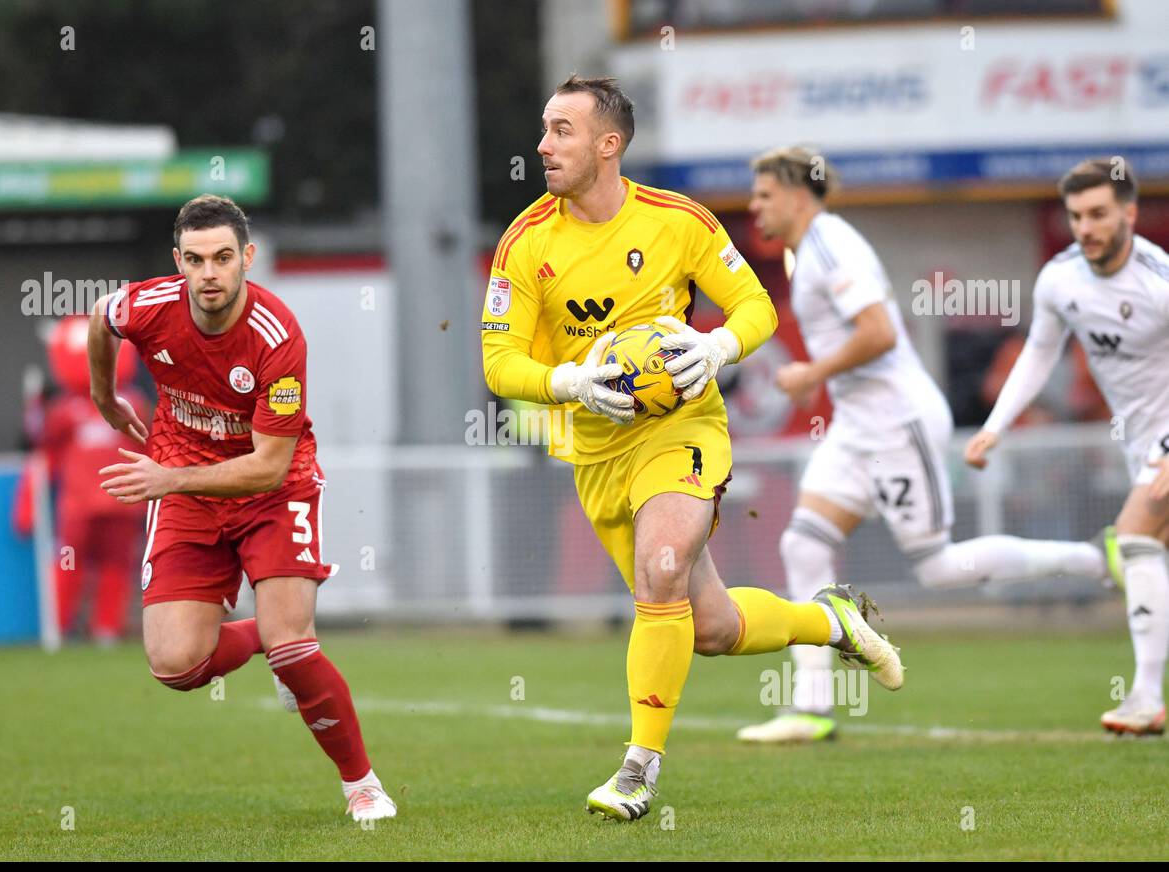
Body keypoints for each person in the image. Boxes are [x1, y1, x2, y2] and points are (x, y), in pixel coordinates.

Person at [480, 76, 903, 822]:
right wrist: (571, 380)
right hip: (596, 453)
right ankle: (831, 621)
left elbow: (755, 305)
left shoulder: (678, 220)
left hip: (683, 428)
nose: (542, 146)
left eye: (561, 131)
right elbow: (498, 362)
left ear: (609, 145)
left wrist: (715, 346)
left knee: (662, 566)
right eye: (544, 130)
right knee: (706, 626)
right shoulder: (525, 242)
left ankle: (637, 769)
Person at [737, 147, 1112, 743]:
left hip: (896, 422)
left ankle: (1096, 558)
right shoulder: (807, 251)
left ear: (794, 192)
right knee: (802, 544)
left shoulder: (832, 242)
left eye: (762, 194)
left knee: (937, 567)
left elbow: (880, 333)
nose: (753, 206)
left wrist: (811, 374)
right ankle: (811, 706)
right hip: (859, 426)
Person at [86, 194, 397, 820]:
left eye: (223, 257)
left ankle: (362, 784)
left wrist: (170, 480)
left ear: (246, 258)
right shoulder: (148, 307)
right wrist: (104, 394)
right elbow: (100, 316)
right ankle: (267, 639)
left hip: (272, 492)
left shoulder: (277, 339)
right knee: (175, 665)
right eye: (196, 259)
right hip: (185, 487)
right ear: (178, 261)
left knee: (296, 649)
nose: (209, 273)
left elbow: (268, 464)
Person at [966, 158, 1169, 736]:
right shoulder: (1060, 279)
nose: (1086, 226)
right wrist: (997, 425)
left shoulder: (1158, 281)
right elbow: (1038, 352)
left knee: (1133, 539)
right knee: (1147, 555)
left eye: (1099, 213)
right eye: (1077, 215)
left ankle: (1146, 700)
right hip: (1139, 447)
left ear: (1129, 212)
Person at [13, 316, 148, 644]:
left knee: (117, 566)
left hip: (122, 504)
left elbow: (153, 449)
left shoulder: (133, 404)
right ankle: (59, 627)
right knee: (68, 564)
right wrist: (29, 505)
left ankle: (106, 629)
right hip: (78, 506)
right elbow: (45, 454)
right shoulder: (63, 411)